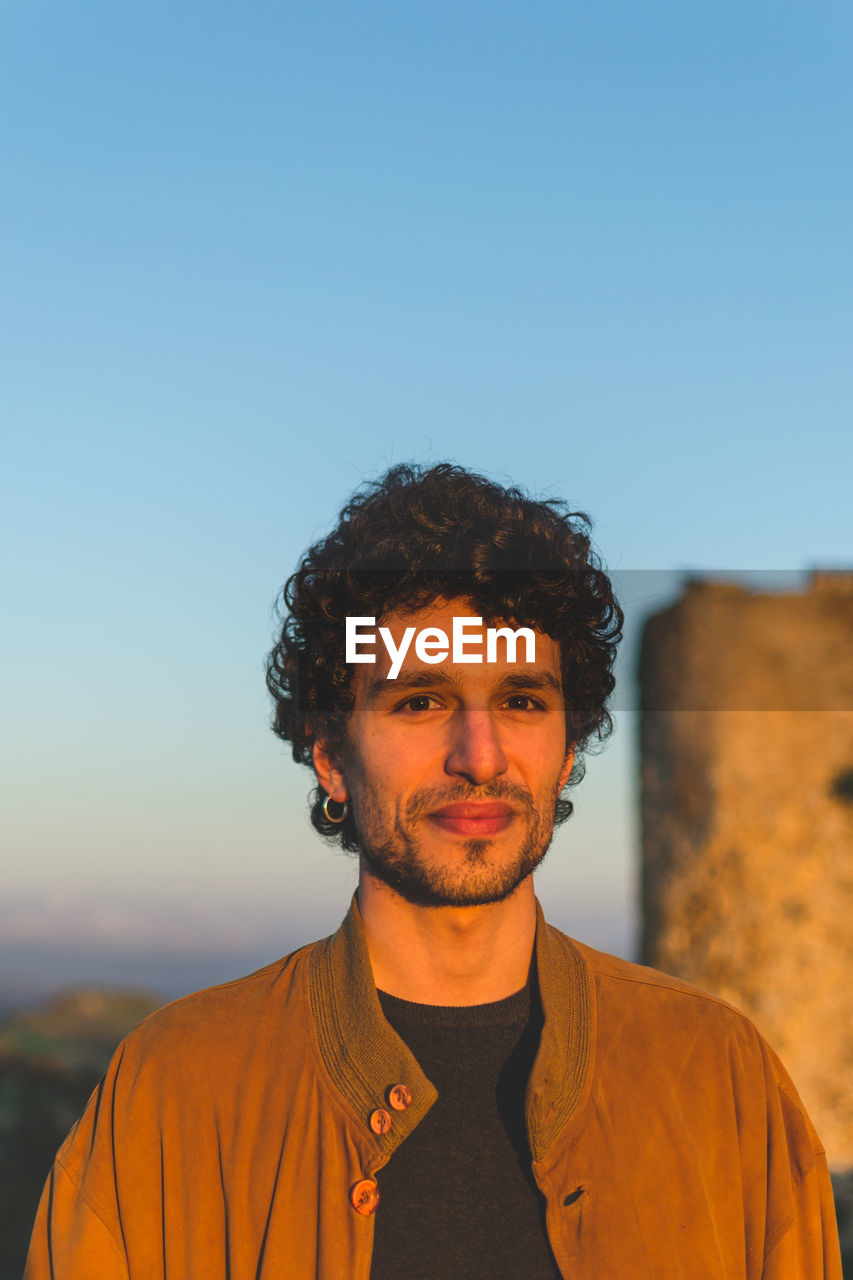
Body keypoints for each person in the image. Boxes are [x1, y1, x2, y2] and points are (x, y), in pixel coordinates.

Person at [25, 463, 841, 1279]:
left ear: (566, 752)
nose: (479, 758)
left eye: (521, 700)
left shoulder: (715, 1074)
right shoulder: (174, 1091)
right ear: (330, 756)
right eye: (420, 701)